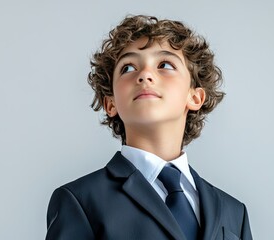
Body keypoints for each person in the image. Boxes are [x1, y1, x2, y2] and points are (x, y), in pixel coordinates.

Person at [45, 15, 252, 240]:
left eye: (165, 65)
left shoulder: (234, 212)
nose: (145, 75)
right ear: (111, 103)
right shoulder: (80, 201)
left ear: (195, 97)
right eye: (128, 68)